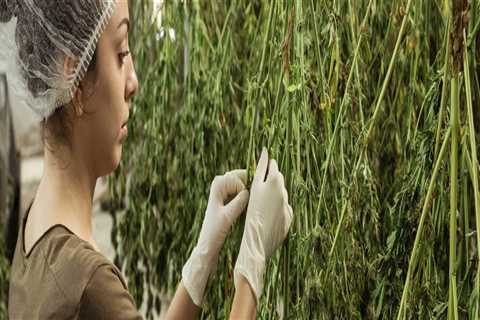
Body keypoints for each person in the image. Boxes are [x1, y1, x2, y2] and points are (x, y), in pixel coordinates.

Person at [3, 1, 293, 319]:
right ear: (76, 78)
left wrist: (200, 262)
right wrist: (252, 267)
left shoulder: (37, 230)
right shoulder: (90, 285)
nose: (134, 81)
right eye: (122, 53)